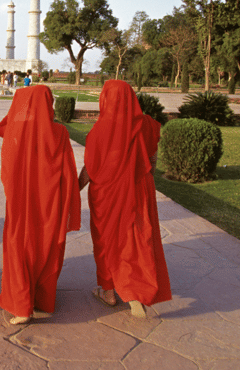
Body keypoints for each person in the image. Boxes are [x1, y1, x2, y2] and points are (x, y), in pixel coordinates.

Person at [78, 80, 171, 318]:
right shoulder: (148, 125)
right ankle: (135, 292)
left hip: (107, 196)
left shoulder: (99, 131)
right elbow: (151, 161)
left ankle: (108, 291)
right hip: (139, 189)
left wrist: (72, 190)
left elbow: (90, 169)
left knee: (107, 241)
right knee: (137, 239)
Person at [0, 85, 80, 324]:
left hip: (21, 203)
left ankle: (23, 305)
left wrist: (20, 112)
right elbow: (68, 173)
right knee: (46, 248)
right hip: (50, 203)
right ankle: (42, 298)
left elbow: (2, 128)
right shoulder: (60, 133)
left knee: (20, 247)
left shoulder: (15, 131)